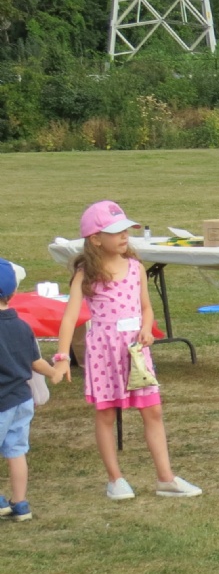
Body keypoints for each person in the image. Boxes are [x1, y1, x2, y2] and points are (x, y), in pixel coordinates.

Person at [49, 202, 202, 501]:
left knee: (153, 410)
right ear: (96, 239)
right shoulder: (86, 274)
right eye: (116, 231)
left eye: (126, 231)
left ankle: (166, 478)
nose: (124, 236)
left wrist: (147, 328)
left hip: (135, 351)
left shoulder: (136, 268)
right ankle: (115, 479)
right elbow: (69, 317)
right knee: (106, 413)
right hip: (104, 351)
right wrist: (62, 357)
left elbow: (146, 307)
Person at [0, 258, 64, 522]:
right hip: (21, 401)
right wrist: (55, 372)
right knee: (16, 451)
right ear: (14, 292)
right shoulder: (22, 326)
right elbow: (35, 362)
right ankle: (20, 503)